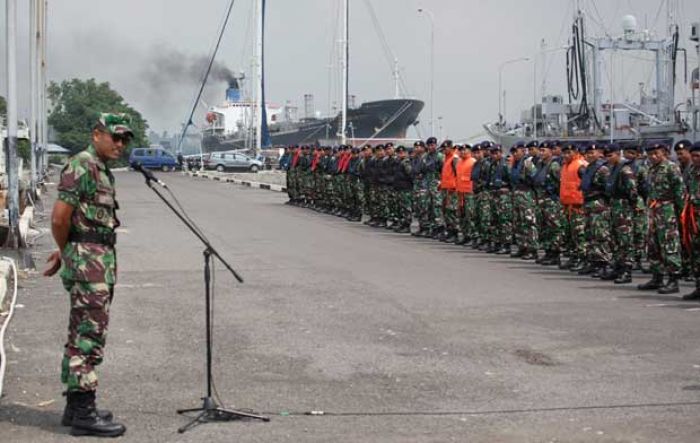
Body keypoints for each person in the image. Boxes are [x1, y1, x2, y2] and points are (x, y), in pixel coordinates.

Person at [43, 113, 131, 437]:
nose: (120, 144)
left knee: (79, 333)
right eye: (115, 137)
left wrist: (67, 248)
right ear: (97, 134)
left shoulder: (102, 169)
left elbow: (79, 223)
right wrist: (66, 250)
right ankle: (84, 414)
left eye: (125, 139)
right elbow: (59, 219)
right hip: (88, 266)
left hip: (97, 263)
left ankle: (73, 405)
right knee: (88, 338)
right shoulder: (82, 164)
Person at [637, 142, 685, 294]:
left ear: (664, 152)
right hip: (652, 210)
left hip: (667, 210)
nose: (653, 156)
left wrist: (681, 212)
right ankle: (657, 276)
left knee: (669, 244)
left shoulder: (671, 168)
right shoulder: (651, 169)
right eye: (650, 154)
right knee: (652, 245)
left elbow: (679, 191)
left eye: (656, 153)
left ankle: (673, 279)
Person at [602, 143, 637, 284]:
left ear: (618, 154)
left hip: (623, 207)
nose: (608, 158)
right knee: (615, 239)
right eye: (607, 156)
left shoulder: (625, 169)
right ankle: (618, 267)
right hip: (614, 206)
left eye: (611, 155)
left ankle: (627, 270)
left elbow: (632, 191)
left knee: (625, 240)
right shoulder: (613, 169)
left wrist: (630, 208)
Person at [680, 141, 700, 300]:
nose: (695, 159)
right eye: (693, 156)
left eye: (698, 156)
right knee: (695, 251)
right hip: (694, 215)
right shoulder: (692, 171)